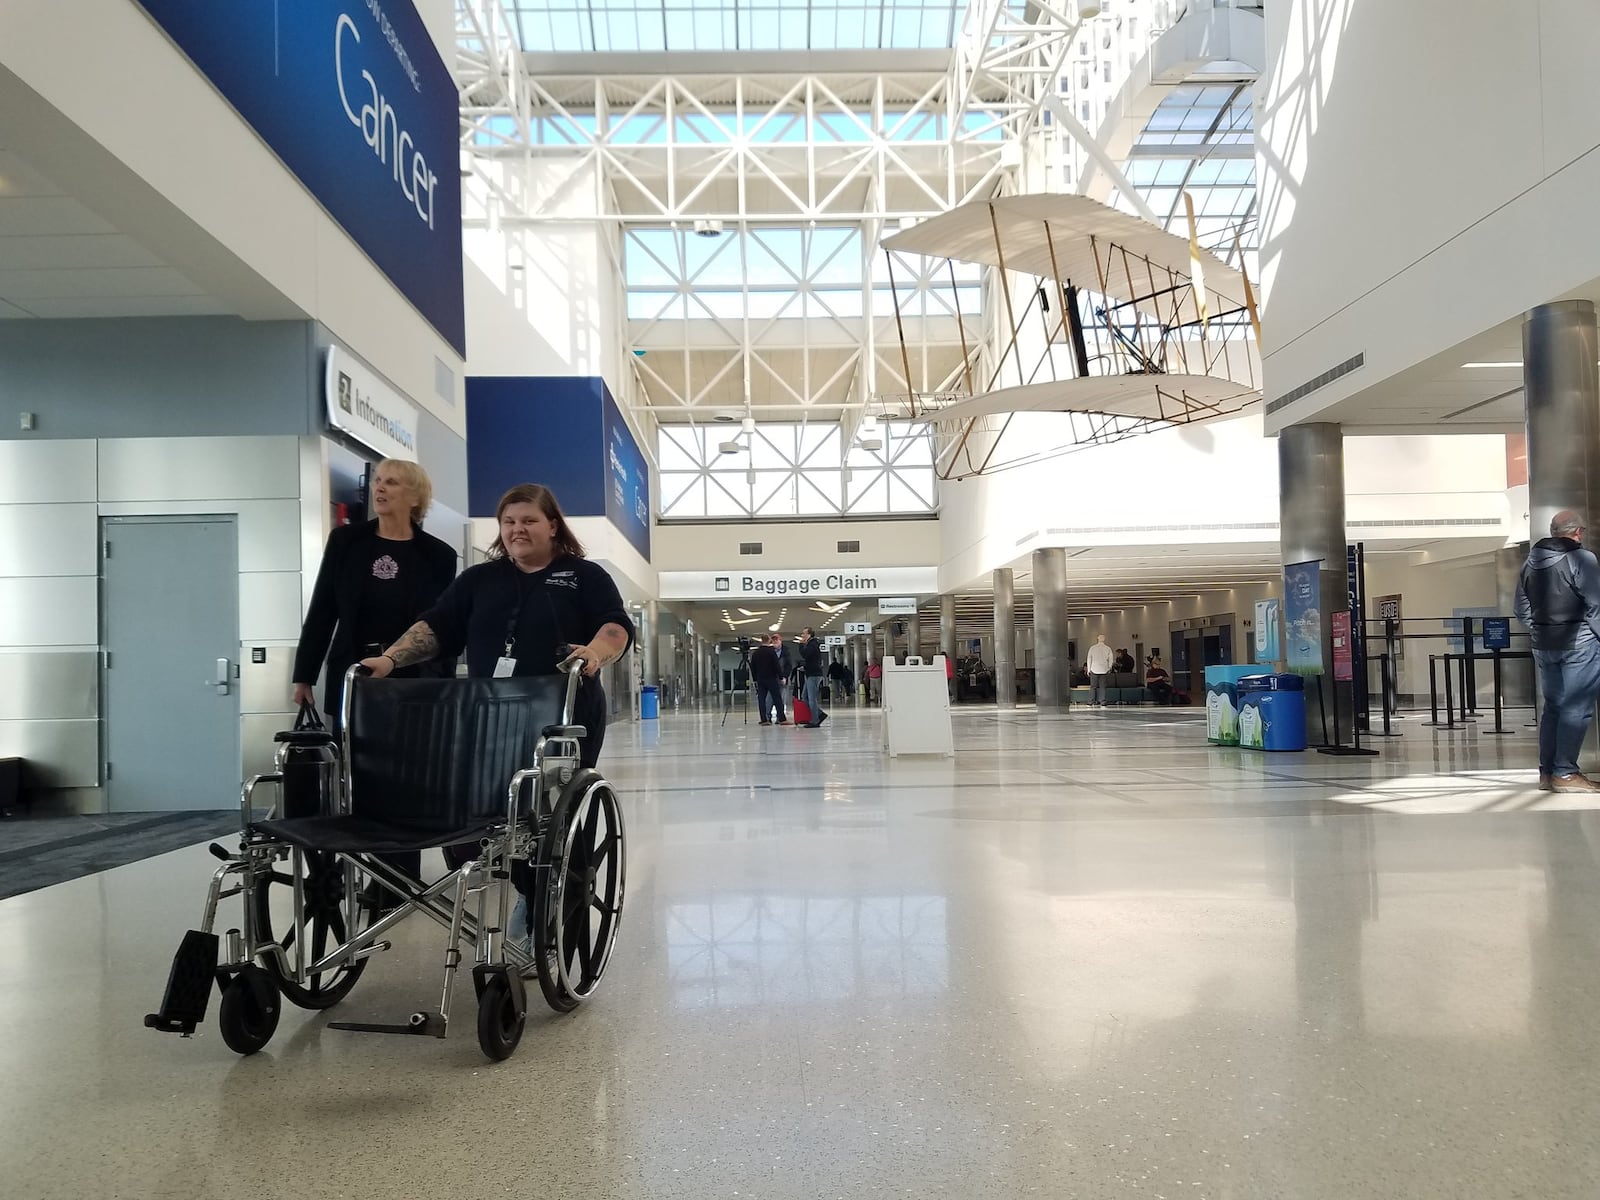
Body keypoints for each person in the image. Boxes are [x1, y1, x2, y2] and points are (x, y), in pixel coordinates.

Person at [360, 483, 636, 943]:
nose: (516, 530)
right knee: (487, 807)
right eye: (508, 522)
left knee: (550, 812)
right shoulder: (478, 580)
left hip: (565, 712)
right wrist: (389, 659)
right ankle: (522, 879)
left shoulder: (583, 575)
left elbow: (615, 627)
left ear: (552, 525)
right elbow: (437, 626)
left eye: (528, 520)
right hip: (491, 714)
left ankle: (547, 897)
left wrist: (594, 652)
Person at [291, 458, 458, 897]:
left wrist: (441, 682)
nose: (381, 489)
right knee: (355, 776)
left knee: (406, 778)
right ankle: (365, 872)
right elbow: (323, 609)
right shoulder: (347, 542)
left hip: (412, 682)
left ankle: (399, 876)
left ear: (415, 497)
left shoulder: (438, 555)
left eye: (393, 483)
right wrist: (303, 674)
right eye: (379, 481)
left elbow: (443, 625)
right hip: (351, 676)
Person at [1514, 509, 1600, 793]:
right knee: (1576, 708)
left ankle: (1547, 772)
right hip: (1580, 643)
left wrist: (1541, 629)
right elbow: (1595, 605)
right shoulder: (1581, 558)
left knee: (1553, 707)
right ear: (1578, 532)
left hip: (1543, 645)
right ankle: (1565, 773)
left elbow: (1521, 609)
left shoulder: (1530, 561)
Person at [751, 634, 788, 725]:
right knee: (777, 698)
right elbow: (777, 666)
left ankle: (764, 719)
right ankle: (782, 718)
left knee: (761, 699)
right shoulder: (771, 652)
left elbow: (752, 667)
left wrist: (755, 678)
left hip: (760, 679)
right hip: (771, 678)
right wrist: (781, 677)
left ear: (761, 641)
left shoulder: (756, 653)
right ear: (769, 641)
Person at [799, 627, 828, 727]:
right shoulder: (812, 644)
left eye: (804, 633)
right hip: (811, 673)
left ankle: (815, 720)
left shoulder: (812, 644)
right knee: (804, 697)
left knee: (811, 698)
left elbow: (805, 655)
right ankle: (819, 714)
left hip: (814, 675)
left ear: (809, 634)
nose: (802, 635)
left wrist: (801, 644)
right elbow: (811, 660)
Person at [1086, 634, 1114, 706]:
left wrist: (1088, 669)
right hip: (1104, 670)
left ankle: (1091, 701)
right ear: (1104, 639)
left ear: (1097, 639)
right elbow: (1110, 659)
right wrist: (1109, 667)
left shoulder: (1092, 648)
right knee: (1103, 687)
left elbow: (1089, 659)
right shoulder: (1108, 648)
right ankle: (1103, 701)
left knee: (1093, 686)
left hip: (1094, 669)